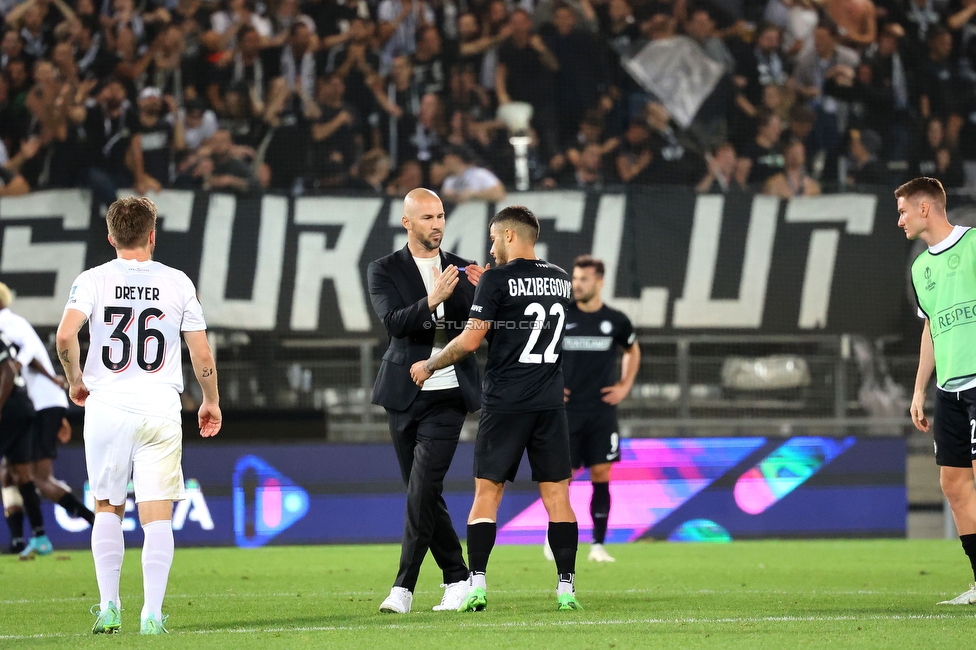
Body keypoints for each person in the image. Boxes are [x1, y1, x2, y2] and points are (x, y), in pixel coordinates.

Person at [55, 196, 221, 635]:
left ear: (111, 236)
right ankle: (151, 614)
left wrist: (75, 379)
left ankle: (109, 608)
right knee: (157, 516)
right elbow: (200, 352)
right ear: (152, 235)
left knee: (107, 507)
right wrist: (211, 400)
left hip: (106, 407)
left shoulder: (91, 280)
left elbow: (66, 335)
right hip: (160, 408)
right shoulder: (178, 282)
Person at [410, 205, 583, 612]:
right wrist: (492, 285)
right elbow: (529, 314)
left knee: (487, 494)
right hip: (549, 404)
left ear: (508, 236)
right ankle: (566, 589)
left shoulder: (498, 281)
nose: (491, 245)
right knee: (558, 497)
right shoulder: (560, 280)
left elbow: (471, 342)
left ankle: (477, 584)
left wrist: (430, 363)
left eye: (493, 237)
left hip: (506, 403)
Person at [367, 188, 487, 615]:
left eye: (440, 216)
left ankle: (403, 587)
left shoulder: (463, 268)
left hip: (448, 396)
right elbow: (395, 324)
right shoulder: (383, 270)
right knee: (423, 493)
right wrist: (432, 299)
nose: (436, 224)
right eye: (427, 218)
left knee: (422, 488)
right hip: (403, 394)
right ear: (407, 223)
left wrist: (487, 290)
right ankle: (458, 577)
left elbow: (479, 326)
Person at [900, 176, 976, 606]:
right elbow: (931, 327)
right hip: (948, 389)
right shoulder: (920, 268)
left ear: (925, 208)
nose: (900, 220)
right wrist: (918, 391)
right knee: (952, 483)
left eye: (903, 211)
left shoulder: (973, 245)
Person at [557, 255, 639, 563]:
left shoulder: (615, 320)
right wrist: (551, 384)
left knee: (601, 473)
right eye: (575, 278)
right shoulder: (562, 315)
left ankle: (597, 545)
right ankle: (558, 536)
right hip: (566, 412)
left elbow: (633, 349)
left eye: (584, 279)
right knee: (562, 476)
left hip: (601, 412)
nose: (577, 284)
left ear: (599, 282)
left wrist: (625, 385)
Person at [0, 283, 95, 536]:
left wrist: (18, 368)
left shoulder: (6, 324)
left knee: (39, 478)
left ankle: (94, 523)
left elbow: (28, 351)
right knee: (9, 473)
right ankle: (22, 539)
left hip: (38, 403)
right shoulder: (14, 322)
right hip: (41, 403)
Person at [0, 330, 48, 559]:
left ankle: (26, 537)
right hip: (22, 405)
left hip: (9, 406)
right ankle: (39, 536)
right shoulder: (8, 336)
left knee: (15, 474)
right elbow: (31, 359)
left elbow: (8, 370)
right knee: (20, 475)